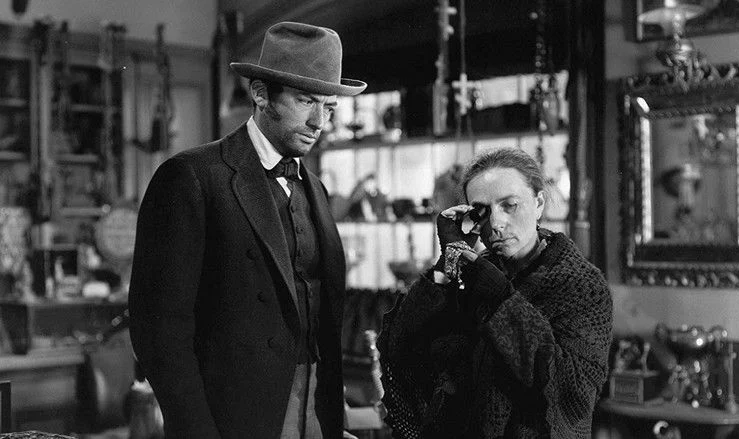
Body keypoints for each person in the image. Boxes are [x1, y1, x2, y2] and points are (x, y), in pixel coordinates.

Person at [129, 22, 366, 439]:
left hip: (316, 409)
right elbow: (159, 330)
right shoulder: (192, 176)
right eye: (305, 101)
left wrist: (330, 420)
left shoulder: (315, 188)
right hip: (234, 417)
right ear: (260, 94)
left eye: (329, 108)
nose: (319, 122)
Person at [377, 147, 613, 438]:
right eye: (482, 211)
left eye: (510, 205)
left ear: (539, 203)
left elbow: (571, 391)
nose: (497, 223)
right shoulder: (475, 273)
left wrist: (500, 297)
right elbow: (402, 344)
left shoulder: (582, 285)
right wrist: (447, 261)